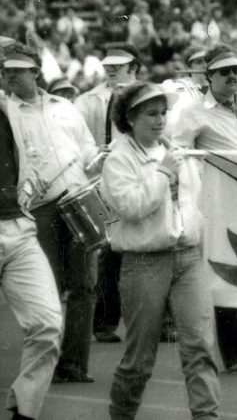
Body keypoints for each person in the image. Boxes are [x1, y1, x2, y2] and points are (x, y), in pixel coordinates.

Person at [101, 81, 220, 419]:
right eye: (151, 113)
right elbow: (131, 206)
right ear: (130, 118)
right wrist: (165, 170)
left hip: (187, 257)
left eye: (163, 113)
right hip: (144, 261)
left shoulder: (174, 150)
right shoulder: (118, 159)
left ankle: (206, 416)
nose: (159, 120)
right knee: (139, 358)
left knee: (200, 347)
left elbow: (192, 204)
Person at [173, 44, 237, 375]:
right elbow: (179, 153)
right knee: (227, 273)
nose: (232, 76)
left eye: (236, 70)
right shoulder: (193, 112)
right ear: (209, 77)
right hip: (218, 205)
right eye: (224, 72)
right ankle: (234, 356)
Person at [2, 42, 101, 383]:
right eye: (7, 69)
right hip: (39, 210)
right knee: (50, 289)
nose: (10, 74)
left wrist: (97, 163)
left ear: (35, 72)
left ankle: (73, 364)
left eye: (17, 69)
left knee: (84, 285)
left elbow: (87, 148)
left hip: (78, 200)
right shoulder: (6, 112)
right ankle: (46, 364)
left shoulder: (64, 107)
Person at [0, 80, 63, 420]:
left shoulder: (11, 108)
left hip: (19, 228)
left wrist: (32, 181)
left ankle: (24, 414)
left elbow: (36, 158)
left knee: (47, 324)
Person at [75, 43, 140, 345]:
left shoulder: (144, 95)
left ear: (134, 66)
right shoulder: (88, 100)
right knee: (109, 251)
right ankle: (104, 322)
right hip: (102, 180)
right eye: (109, 65)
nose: (113, 69)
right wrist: (93, 154)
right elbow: (79, 137)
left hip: (137, 177)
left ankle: (156, 321)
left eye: (120, 65)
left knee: (148, 247)